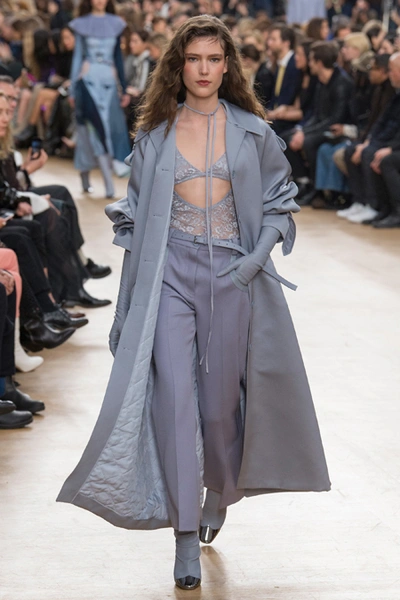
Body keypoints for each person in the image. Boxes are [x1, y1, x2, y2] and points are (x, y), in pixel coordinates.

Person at [57, 16, 330, 592]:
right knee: (175, 400)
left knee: (219, 408)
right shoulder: (155, 136)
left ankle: (218, 492)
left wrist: (255, 259)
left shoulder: (253, 132)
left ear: (227, 66)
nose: (203, 69)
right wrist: (126, 307)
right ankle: (184, 532)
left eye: (213, 59)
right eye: (194, 59)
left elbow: (280, 200)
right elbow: (134, 227)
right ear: (178, 67)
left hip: (233, 276)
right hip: (168, 275)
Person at [69, 0, 131, 197]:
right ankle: (103, 181)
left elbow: (118, 57)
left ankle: (94, 177)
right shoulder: (81, 23)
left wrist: (124, 88)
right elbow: (77, 57)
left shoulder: (116, 23)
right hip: (87, 81)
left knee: (109, 129)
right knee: (90, 128)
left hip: (109, 82)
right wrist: (72, 88)